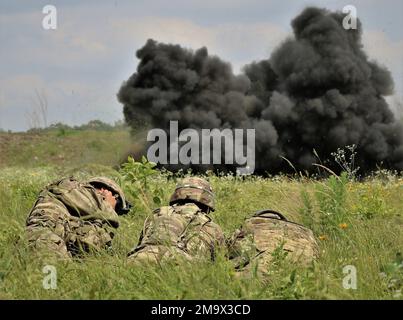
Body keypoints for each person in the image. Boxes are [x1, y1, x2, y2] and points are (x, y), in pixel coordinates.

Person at [26, 176, 131, 261]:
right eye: (116, 205)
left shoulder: (73, 203)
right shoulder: (76, 190)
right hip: (45, 240)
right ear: (105, 190)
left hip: (40, 239)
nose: (114, 209)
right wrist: (108, 205)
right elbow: (109, 217)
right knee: (52, 283)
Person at [128, 177, 225, 265]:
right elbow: (218, 265)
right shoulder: (212, 227)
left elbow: (141, 243)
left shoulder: (157, 213)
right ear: (207, 201)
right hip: (180, 265)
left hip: (138, 259)